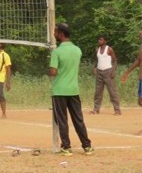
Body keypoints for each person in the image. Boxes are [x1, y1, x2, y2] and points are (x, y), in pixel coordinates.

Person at [50, 23, 93, 156]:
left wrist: (52, 66)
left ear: (61, 34)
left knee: (62, 120)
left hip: (59, 91)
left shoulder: (56, 52)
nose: (54, 34)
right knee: (78, 119)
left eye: (55, 32)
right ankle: (87, 146)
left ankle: (66, 147)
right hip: (74, 90)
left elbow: (53, 72)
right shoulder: (77, 50)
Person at [91, 35, 121, 115]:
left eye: (101, 40)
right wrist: (94, 68)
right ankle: (96, 109)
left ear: (105, 41)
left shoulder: (109, 49)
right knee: (98, 92)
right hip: (99, 72)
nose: (99, 41)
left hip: (108, 72)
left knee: (112, 91)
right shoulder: (97, 50)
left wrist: (113, 71)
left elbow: (115, 61)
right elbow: (96, 60)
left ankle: (117, 110)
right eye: (99, 40)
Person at [120, 28, 142, 135]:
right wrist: (127, 72)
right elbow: (138, 61)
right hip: (141, 78)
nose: (139, 32)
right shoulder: (141, 46)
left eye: (141, 30)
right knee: (140, 101)